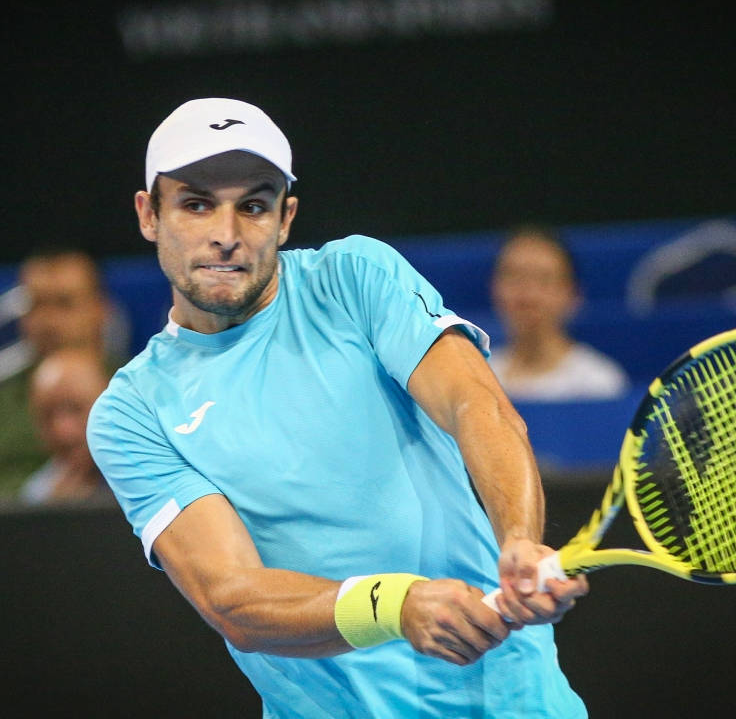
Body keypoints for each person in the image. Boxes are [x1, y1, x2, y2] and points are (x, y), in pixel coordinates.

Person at [87, 97, 589, 717]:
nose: (227, 233)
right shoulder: (132, 412)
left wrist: (520, 539)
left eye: (253, 205)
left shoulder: (354, 277)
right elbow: (233, 597)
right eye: (196, 204)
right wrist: (395, 606)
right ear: (149, 214)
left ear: (286, 217)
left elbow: (476, 405)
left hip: (514, 703)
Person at [0, 248, 118, 503]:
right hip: (6, 533)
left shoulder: (137, 385)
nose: (49, 321)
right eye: (37, 305)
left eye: (64, 304)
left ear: (101, 309)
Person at [487, 225, 630, 401]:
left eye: (544, 280)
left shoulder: (599, 383)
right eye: (515, 277)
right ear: (494, 288)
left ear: (573, 294)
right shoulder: (476, 376)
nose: (528, 296)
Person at [20, 347, 114, 505]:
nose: (63, 431)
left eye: (76, 409)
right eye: (47, 415)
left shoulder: (158, 477)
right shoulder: (38, 496)